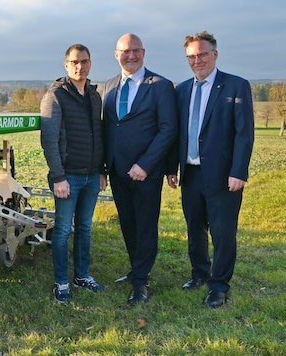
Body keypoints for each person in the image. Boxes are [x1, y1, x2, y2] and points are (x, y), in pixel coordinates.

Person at [167, 31, 254, 308]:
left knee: (222, 232)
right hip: (190, 174)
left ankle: (219, 285)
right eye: (191, 56)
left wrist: (239, 171)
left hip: (223, 175)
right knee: (194, 228)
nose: (197, 60)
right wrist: (172, 168)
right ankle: (199, 274)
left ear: (215, 54)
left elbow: (244, 134)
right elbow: (175, 133)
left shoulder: (236, 87)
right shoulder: (181, 90)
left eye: (202, 54)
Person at [102, 34, 177, 306]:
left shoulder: (160, 85)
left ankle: (141, 281)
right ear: (116, 54)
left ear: (143, 53)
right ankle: (136, 269)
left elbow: (168, 129)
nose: (130, 56)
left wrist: (145, 164)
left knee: (145, 225)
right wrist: (102, 168)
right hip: (117, 171)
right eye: (125, 51)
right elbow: (105, 129)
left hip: (146, 171)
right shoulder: (108, 86)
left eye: (135, 51)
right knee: (128, 224)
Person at [40, 44, 107, 304]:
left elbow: (99, 135)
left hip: (91, 175)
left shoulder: (94, 95)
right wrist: (58, 177)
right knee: (63, 230)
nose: (80, 66)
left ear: (90, 63)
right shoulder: (55, 96)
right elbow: (49, 139)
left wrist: (101, 170)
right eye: (75, 62)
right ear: (66, 65)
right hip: (68, 177)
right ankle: (61, 282)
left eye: (85, 61)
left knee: (85, 228)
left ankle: (82, 275)